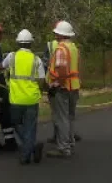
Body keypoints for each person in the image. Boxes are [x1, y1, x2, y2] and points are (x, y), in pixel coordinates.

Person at [2, 29, 45, 165]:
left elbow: (1, 66)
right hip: (31, 99)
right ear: (31, 44)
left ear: (18, 43)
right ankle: (31, 149)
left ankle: (25, 156)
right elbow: (42, 80)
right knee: (30, 127)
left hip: (16, 99)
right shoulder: (36, 59)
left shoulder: (11, 57)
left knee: (16, 125)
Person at [45, 20, 81, 159]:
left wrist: (56, 85)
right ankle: (70, 143)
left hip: (63, 88)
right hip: (74, 87)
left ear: (60, 34)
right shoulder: (73, 48)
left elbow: (61, 70)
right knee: (70, 117)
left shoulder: (61, 49)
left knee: (62, 118)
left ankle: (63, 148)